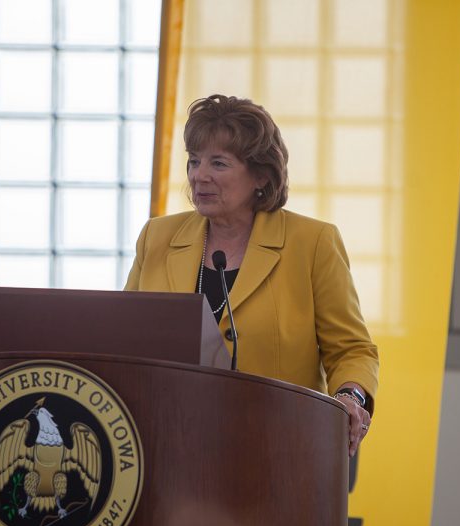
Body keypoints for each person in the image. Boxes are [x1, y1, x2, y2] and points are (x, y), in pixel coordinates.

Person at [125, 94, 377, 456]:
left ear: (261, 174)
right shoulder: (157, 238)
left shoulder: (312, 243)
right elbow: (124, 341)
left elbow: (353, 349)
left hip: (279, 447)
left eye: (219, 163)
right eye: (194, 161)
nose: (199, 175)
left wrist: (349, 395)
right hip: (168, 444)